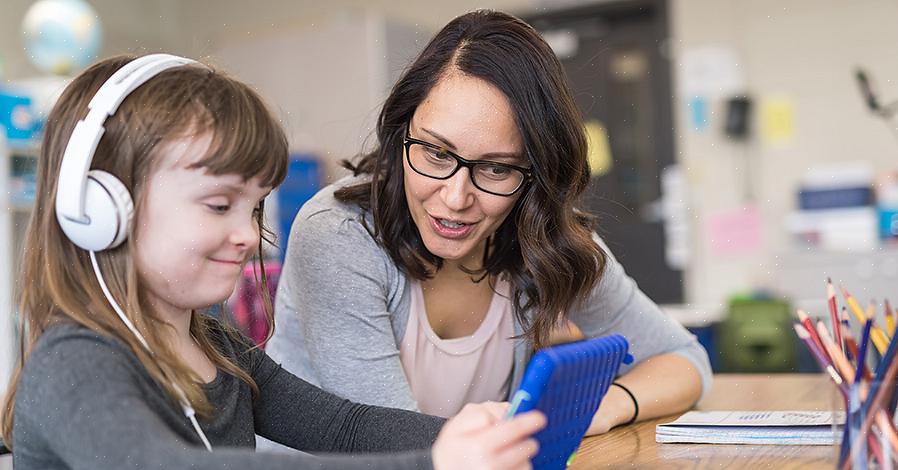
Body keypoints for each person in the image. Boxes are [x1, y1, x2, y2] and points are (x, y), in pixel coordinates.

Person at [0, 53, 545, 470]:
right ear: (101, 209)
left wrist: (470, 436)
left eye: (253, 206)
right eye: (219, 205)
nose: (246, 235)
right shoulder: (74, 362)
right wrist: (436, 463)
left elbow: (343, 428)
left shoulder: (216, 345)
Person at [267, 9, 713, 434]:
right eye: (437, 153)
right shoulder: (338, 234)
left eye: (496, 169)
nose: (456, 198)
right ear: (401, 132)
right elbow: (394, 444)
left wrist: (604, 405)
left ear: (536, 177)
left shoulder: (545, 238)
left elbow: (683, 360)